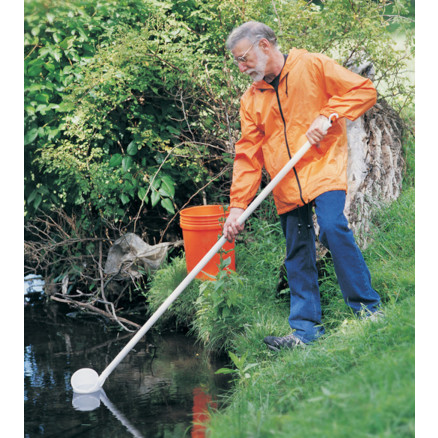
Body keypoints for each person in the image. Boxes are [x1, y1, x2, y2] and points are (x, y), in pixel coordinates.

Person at [222, 21, 382, 351]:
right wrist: (237, 206)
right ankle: (305, 332)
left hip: (322, 166)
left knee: (334, 227)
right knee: (297, 251)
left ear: (264, 46)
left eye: (243, 59)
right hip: (285, 184)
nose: (241, 68)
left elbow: (363, 90)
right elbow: (248, 156)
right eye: (237, 61)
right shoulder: (251, 100)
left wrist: (330, 115)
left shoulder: (311, 65)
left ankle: (367, 310)